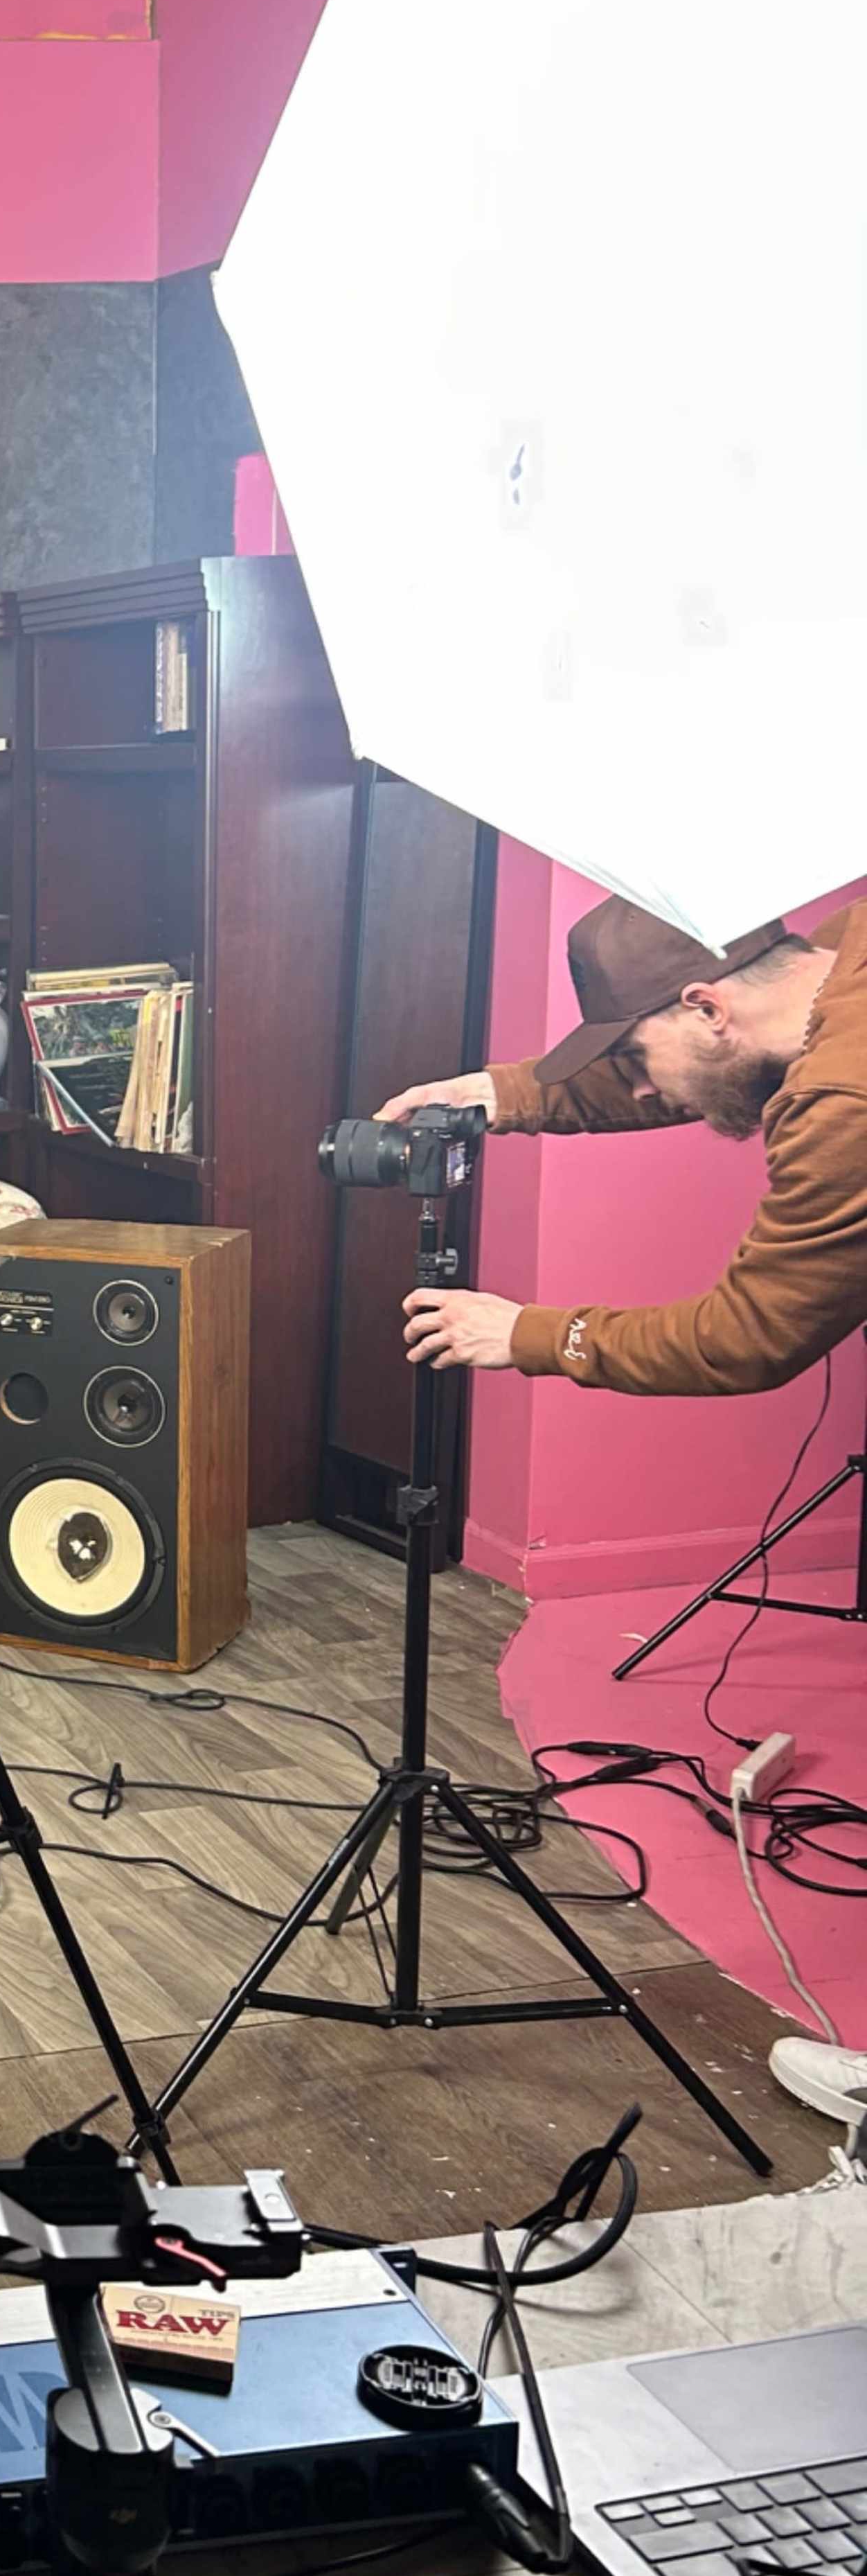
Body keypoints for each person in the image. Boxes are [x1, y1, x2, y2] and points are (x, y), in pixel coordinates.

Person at [380, 890, 867, 2154]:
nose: (648, 1104)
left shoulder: (840, 1100)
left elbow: (754, 1333)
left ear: (707, 1004)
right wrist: (501, 1092)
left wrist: (524, 1334)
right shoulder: (839, 950)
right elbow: (658, 1072)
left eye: (645, 1069)